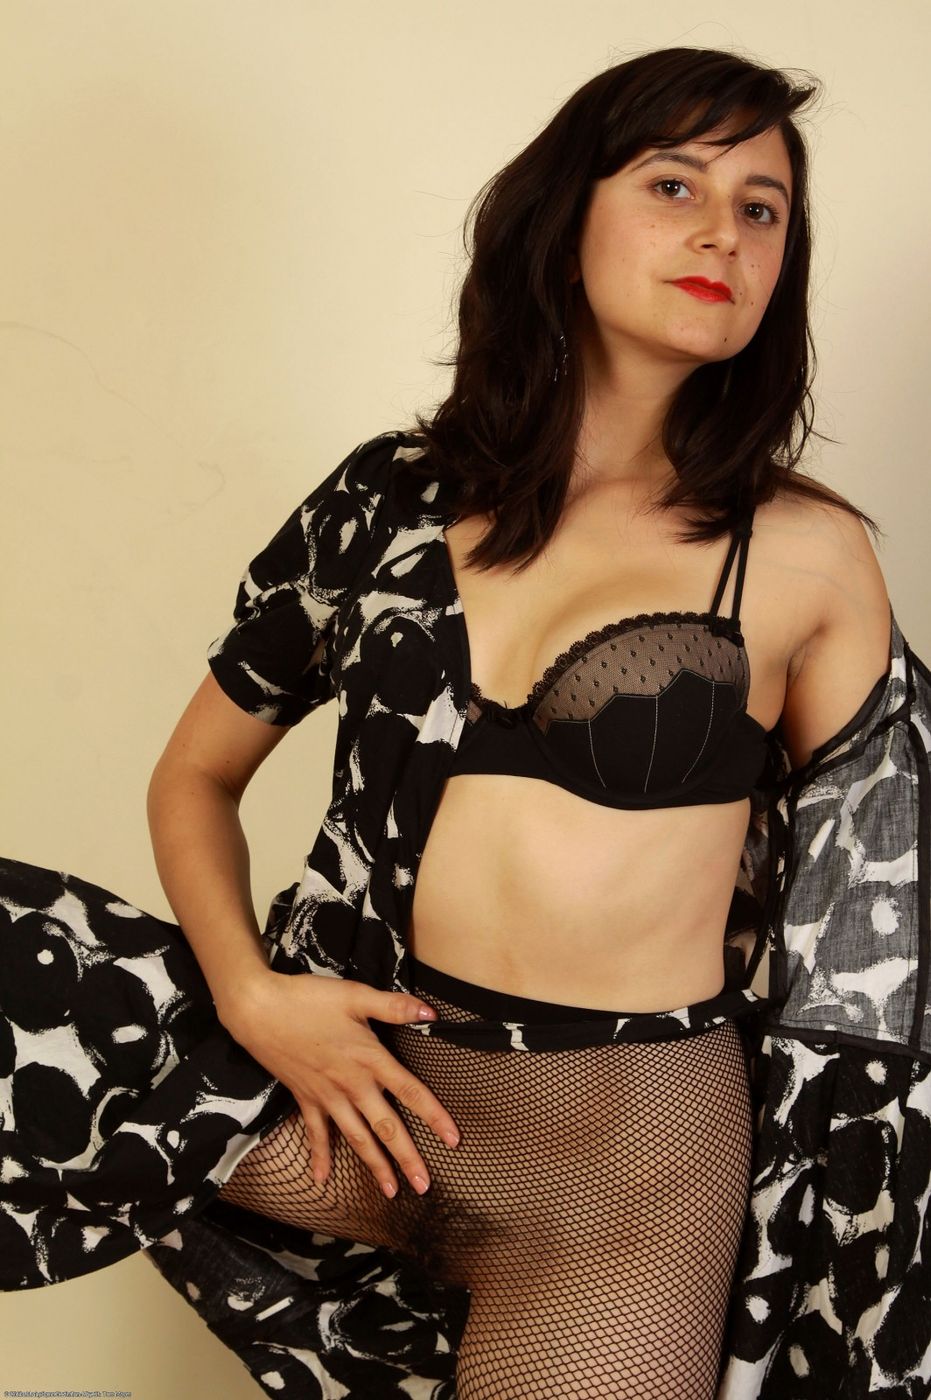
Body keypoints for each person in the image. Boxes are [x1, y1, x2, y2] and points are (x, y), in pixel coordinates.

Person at [1, 44, 928, 1400]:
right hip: (351, 1107)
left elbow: (875, 933)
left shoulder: (807, 555)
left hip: (617, 1179)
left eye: (762, 207)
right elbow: (194, 776)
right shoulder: (387, 498)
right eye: (675, 185)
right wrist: (252, 996)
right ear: (566, 217)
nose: (723, 233)